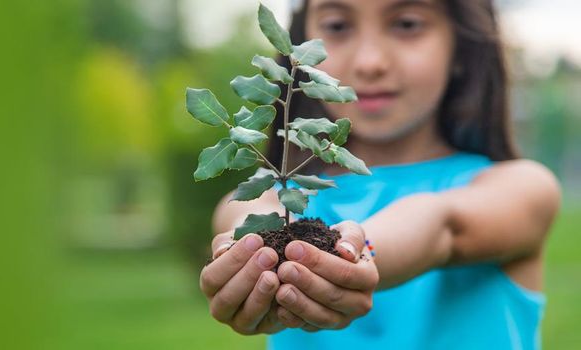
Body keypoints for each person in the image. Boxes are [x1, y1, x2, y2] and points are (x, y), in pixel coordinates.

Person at [198, 0, 561, 348]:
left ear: (462, 49)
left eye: (407, 24)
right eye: (338, 25)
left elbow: (439, 224)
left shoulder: (520, 187)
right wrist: (248, 256)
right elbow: (237, 212)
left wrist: (353, 252)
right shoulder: (277, 196)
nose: (370, 62)